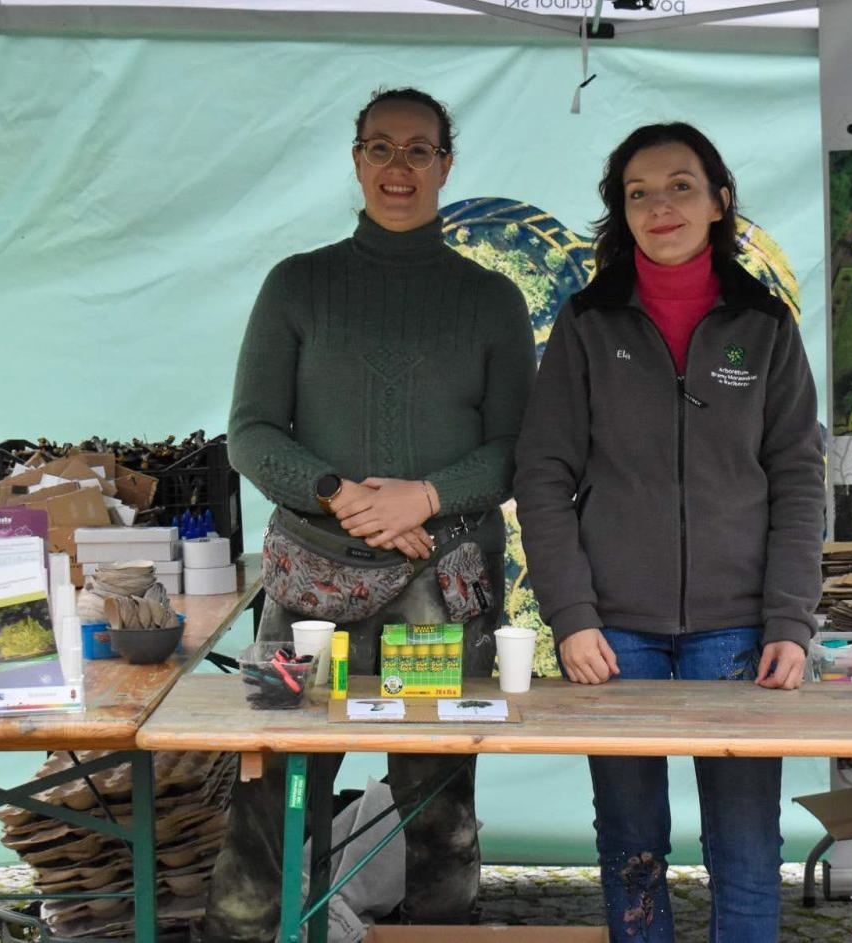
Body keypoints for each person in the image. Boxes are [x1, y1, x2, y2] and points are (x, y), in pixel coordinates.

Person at [204, 87, 534, 939]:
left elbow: (512, 448)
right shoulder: (297, 285)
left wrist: (422, 496)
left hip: (443, 585)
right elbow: (250, 432)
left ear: (446, 164)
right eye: (380, 148)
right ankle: (247, 933)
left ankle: (438, 933)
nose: (399, 166)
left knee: (437, 802)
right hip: (302, 586)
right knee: (270, 787)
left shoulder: (492, 300)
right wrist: (342, 495)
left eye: (418, 149)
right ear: (356, 161)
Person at [514, 122, 823, 942]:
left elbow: (798, 479)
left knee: (749, 843)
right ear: (621, 210)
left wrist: (791, 621)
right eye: (639, 191)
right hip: (614, 631)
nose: (661, 206)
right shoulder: (587, 323)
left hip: (741, 630)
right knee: (630, 845)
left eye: (681, 185)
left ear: (720, 202)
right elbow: (542, 475)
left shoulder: (766, 328)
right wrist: (571, 616)